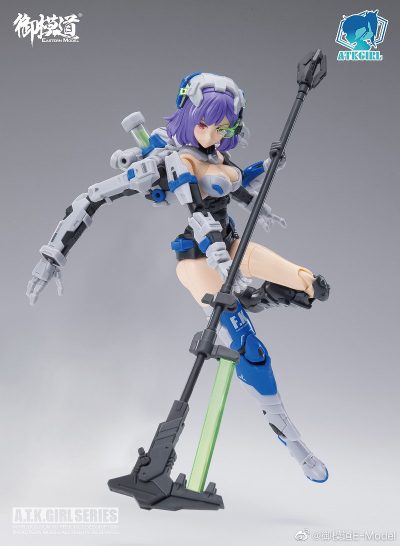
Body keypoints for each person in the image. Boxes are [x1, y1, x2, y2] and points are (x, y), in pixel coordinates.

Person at [27, 72, 329, 483]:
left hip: (231, 246)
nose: (216, 134)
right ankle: (298, 448)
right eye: (208, 124)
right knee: (250, 348)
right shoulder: (172, 162)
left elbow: (236, 186)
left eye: (225, 128)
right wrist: (52, 255)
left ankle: (262, 296)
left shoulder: (218, 158)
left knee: (308, 283)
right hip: (198, 261)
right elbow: (93, 197)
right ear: (189, 117)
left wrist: (269, 164)